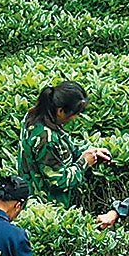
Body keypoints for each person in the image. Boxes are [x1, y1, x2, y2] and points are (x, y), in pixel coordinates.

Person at [14, 79, 111, 209]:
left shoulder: (37, 116)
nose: (75, 117)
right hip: (45, 206)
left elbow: (65, 148)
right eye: (74, 113)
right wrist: (83, 163)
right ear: (60, 111)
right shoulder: (46, 138)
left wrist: (91, 151)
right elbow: (58, 181)